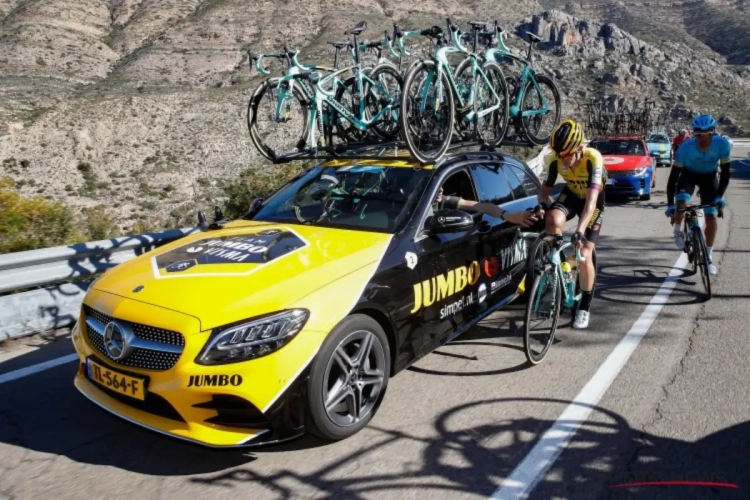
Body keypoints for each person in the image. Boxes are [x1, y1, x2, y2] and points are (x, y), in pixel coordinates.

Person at [534, 119, 605, 329]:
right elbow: (544, 193)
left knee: (584, 252)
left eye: (567, 156)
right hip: (572, 195)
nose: (563, 161)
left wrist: (580, 230)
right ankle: (558, 266)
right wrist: (543, 205)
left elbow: (591, 202)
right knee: (551, 219)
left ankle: (584, 305)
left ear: (579, 149)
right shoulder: (555, 161)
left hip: (593, 201)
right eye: (560, 156)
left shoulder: (593, 158)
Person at [665, 114, 731, 275]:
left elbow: (725, 173)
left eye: (707, 135)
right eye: (699, 135)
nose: (703, 139)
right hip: (688, 176)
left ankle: (708, 258)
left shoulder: (722, 145)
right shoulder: (685, 147)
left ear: (713, 133)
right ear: (694, 134)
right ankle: (678, 231)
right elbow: (673, 178)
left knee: (711, 216)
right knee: (682, 204)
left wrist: (719, 196)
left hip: (709, 178)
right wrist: (670, 204)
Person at [432, 186, 541, 227]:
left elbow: (483, 207)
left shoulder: (445, 200)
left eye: (440, 188)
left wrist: (509, 216)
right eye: (436, 189)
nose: (440, 191)